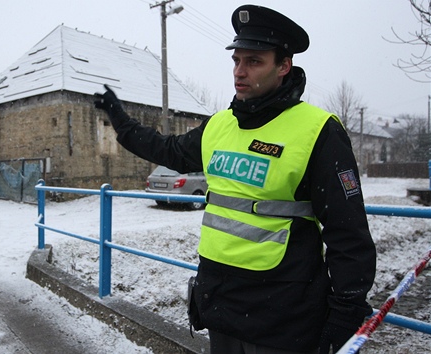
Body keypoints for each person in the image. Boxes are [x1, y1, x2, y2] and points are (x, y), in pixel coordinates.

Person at [94, 4, 376, 354]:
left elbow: (348, 234)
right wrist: (119, 119)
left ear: (284, 66)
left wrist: (345, 315)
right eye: (236, 60)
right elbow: (167, 150)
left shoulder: (318, 131)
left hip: (282, 318)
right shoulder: (220, 125)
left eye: (254, 61)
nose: (239, 72)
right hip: (222, 307)